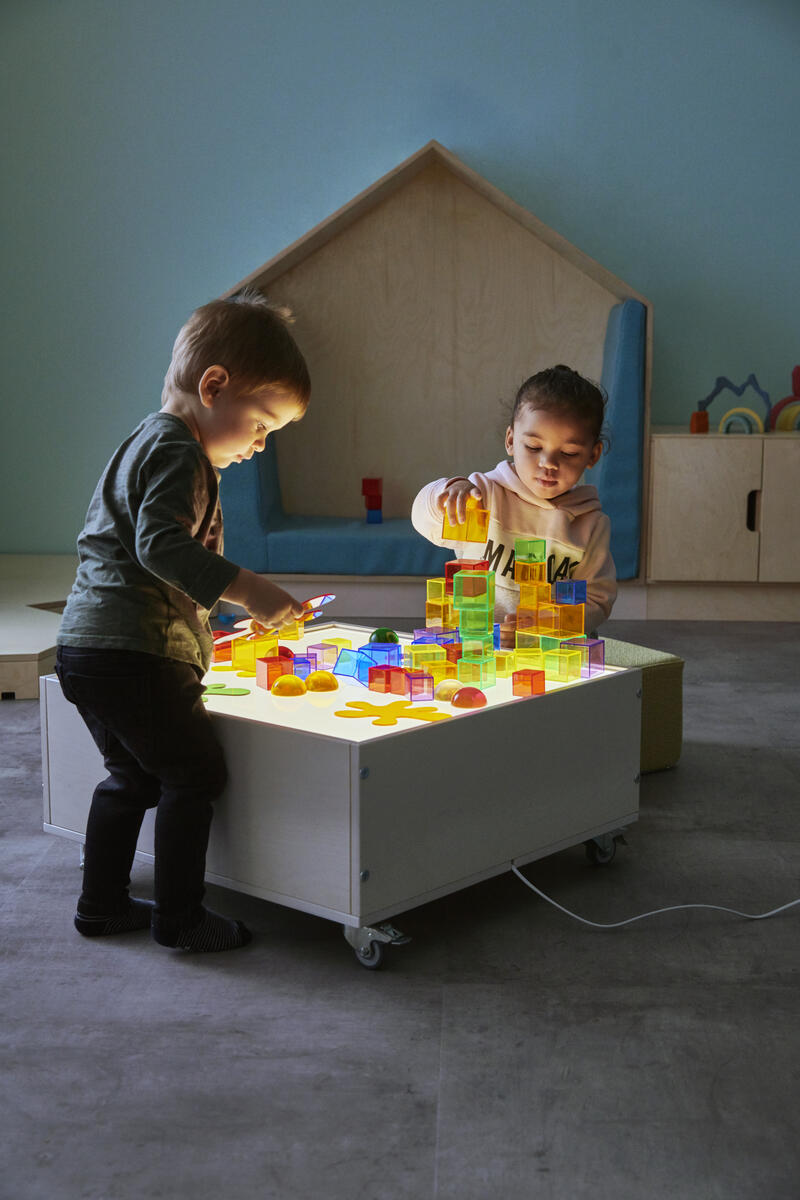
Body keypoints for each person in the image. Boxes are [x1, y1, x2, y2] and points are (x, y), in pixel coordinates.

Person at [56, 291, 311, 953]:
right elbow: (161, 547)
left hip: (87, 647)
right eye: (261, 424)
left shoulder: (144, 439)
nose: (259, 445)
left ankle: (101, 905)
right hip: (135, 653)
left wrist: (210, 628)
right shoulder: (180, 451)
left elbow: (139, 561)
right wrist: (249, 590)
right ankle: (181, 918)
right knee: (194, 775)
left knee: (132, 778)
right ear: (213, 386)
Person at [411, 364, 616, 640]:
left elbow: (597, 600)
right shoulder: (482, 495)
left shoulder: (590, 523)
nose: (548, 463)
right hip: (478, 644)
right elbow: (422, 520)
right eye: (534, 447)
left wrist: (548, 625)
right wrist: (447, 493)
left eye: (569, 453)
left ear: (593, 455)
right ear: (510, 440)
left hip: (549, 650)